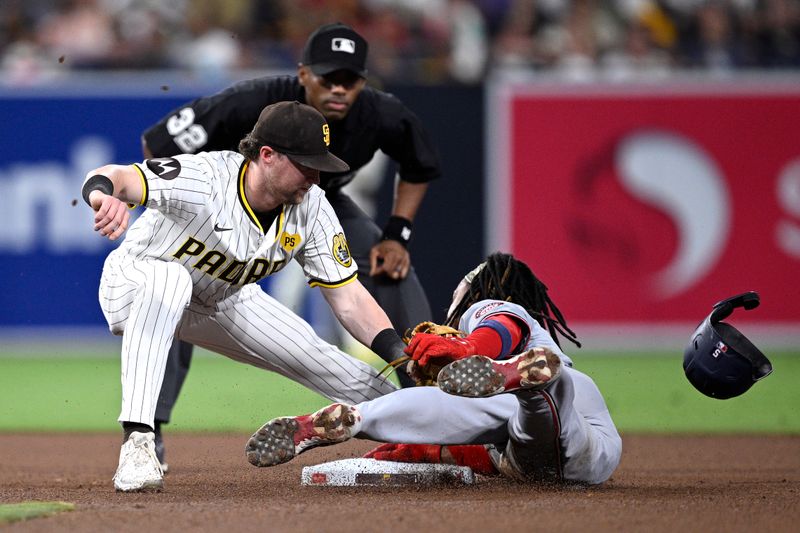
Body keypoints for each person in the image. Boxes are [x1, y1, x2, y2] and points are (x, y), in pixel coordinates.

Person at [142, 22, 441, 466]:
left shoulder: (380, 113)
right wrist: (193, 212)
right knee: (179, 285)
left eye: (350, 79)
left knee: (385, 259)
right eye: (328, 78)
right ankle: (150, 429)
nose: (339, 88)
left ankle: (430, 394)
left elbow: (420, 165)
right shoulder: (250, 101)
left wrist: (398, 234)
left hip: (313, 200)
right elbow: (158, 144)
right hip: (224, 201)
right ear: (303, 74)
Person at [83, 101, 408, 492]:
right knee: (169, 281)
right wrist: (103, 197)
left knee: (326, 361)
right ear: (266, 155)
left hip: (222, 298)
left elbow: (349, 299)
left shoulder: (311, 206)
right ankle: (138, 442)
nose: (314, 176)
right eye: (305, 163)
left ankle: (435, 433)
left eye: (319, 164)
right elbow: (112, 175)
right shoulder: (204, 178)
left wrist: (400, 355)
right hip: (135, 282)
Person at [244, 253, 622, 485]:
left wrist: (468, 347)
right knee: (514, 417)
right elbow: (453, 434)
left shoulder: (488, 305)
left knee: (516, 399)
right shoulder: (477, 384)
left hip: (550, 395)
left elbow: (504, 326)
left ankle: (359, 418)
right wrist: (407, 452)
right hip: (572, 455)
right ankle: (531, 386)